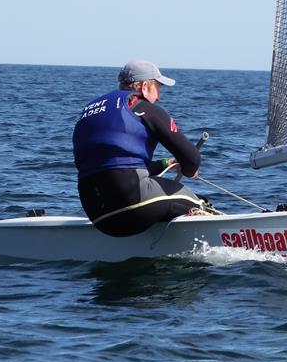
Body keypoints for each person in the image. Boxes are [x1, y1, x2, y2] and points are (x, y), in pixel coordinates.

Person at [73, 60, 206, 236]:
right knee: (196, 201)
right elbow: (192, 159)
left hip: (97, 214)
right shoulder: (142, 107)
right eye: (158, 87)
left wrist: (166, 164)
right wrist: (189, 169)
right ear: (144, 87)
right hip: (133, 204)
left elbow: (113, 168)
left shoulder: (89, 111)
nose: (159, 97)